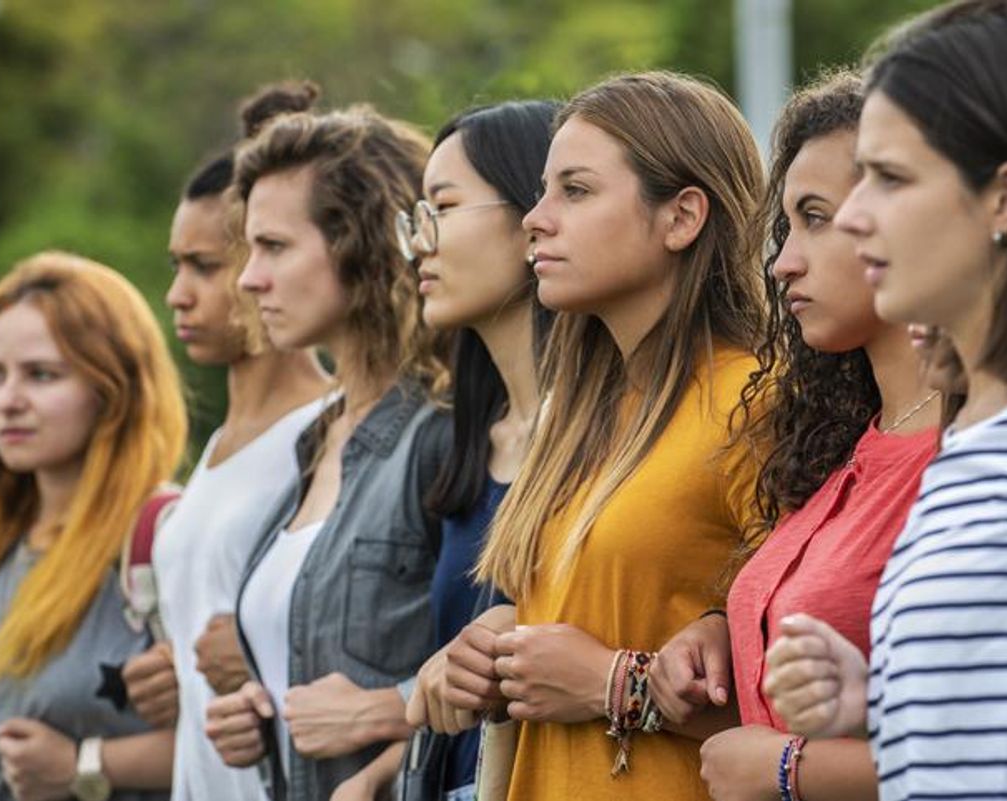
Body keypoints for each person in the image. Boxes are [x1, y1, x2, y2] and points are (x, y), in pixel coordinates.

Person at [764, 3, 1007, 800]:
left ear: (1006, 198)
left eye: (891, 178)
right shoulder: (977, 427)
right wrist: (874, 698)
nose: (857, 215)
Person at [445, 71, 769, 801]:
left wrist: (612, 683)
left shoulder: (756, 402)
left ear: (682, 217)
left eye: (576, 191)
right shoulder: (578, 415)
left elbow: (806, 703)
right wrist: (497, 649)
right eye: (543, 191)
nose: (536, 219)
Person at [647, 69, 940, 801]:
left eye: (817, 217)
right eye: (788, 226)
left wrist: (789, 769)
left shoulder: (978, 450)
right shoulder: (843, 445)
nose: (783, 263)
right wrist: (724, 628)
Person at [203, 105, 451, 801]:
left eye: (275, 247)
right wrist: (260, 715)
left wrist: (389, 707)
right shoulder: (315, 439)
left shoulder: (441, 432)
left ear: (361, 245)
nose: (249, 278)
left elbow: (513, 642)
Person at [121, 80, 331, 801]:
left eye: (204, 266)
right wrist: (170, 673)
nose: (177, 294)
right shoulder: (214, 449)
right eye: (176, 265)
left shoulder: (330, 431)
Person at [349, 99, 558, 801]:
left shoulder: (605, 436)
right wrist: (383, 773)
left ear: (535, 214)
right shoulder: (470, 442)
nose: (418, 245)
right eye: (415, 217)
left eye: (442, 207)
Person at [0, 251, 186, 801]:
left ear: (112, 391)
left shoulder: (168, 537)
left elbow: (244, 739)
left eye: (41, 375)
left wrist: (87, 764)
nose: (7, 401)